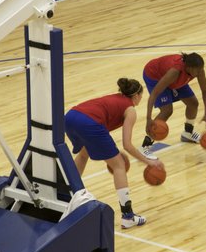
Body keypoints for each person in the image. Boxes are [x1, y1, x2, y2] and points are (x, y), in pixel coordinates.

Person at [64, 78, 165, 228]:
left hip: (71, 117)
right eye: (141, 96)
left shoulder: (115, 98)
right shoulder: (130, 110)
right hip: (89, 122)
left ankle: (66, 195)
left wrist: (115, 152)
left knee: (83, 154)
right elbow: (128, 145)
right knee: (119, 165)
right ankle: (128, 216)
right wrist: (148, 161)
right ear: (136, 95)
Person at [141, 52, 206, 155]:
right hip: (154, 75)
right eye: (197, 71)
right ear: (189, 68)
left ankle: (188, 133)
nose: (200, 72)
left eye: (201, 69)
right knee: (167, 110)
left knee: (193, 103)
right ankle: (145, 146)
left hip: (173, 78)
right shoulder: (175, 71)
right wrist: (148, 118)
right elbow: (154, 94)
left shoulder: (198, 70)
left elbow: (205, 91)